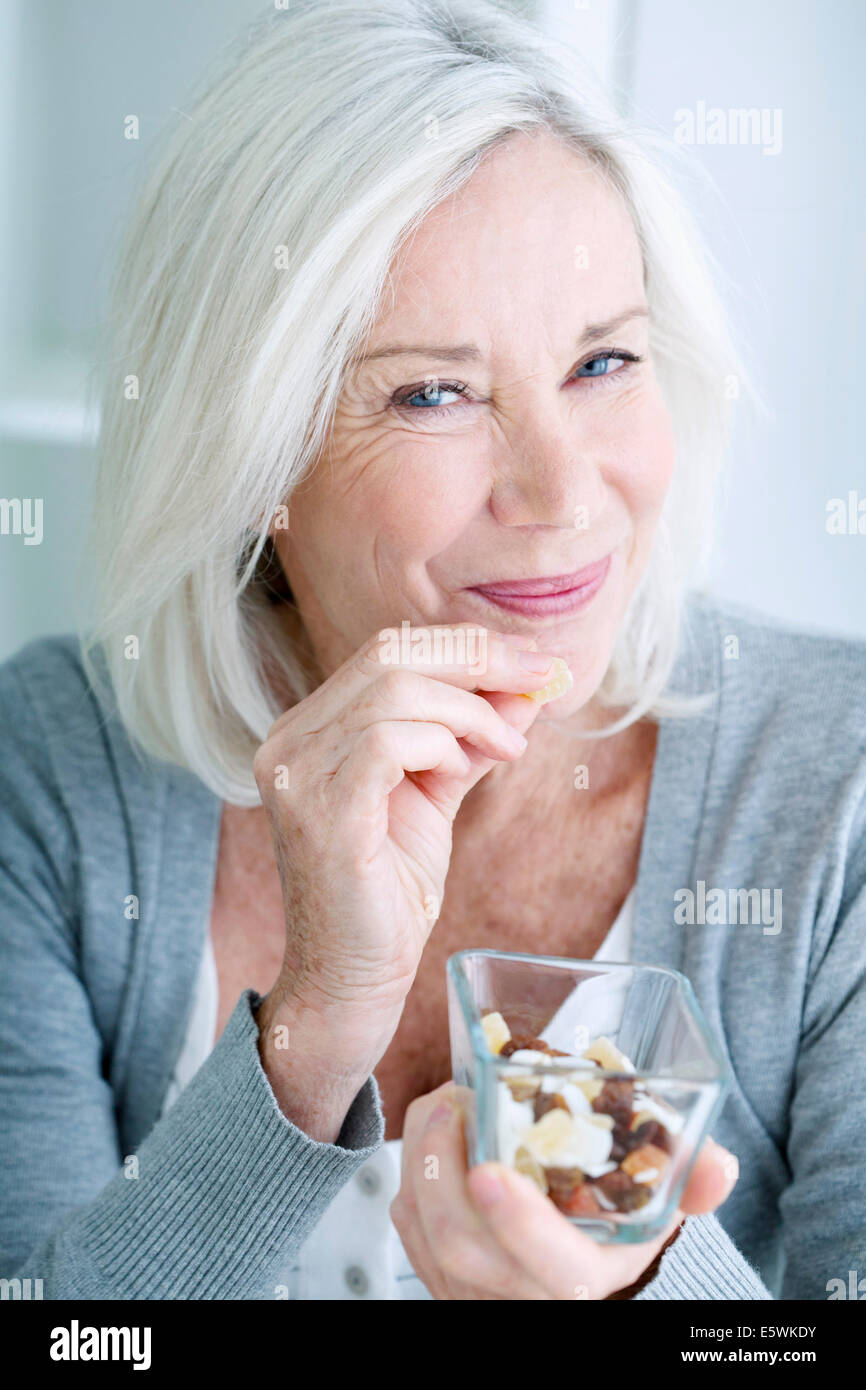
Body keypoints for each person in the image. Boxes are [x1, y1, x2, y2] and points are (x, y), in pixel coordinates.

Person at [1, 0, 862, 1300]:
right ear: (251, 454)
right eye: (430, 392)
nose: (562, 494)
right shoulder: (54, 773)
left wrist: (627, 1269)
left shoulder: (837, 787)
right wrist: (307, 1035)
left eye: (603, 360)